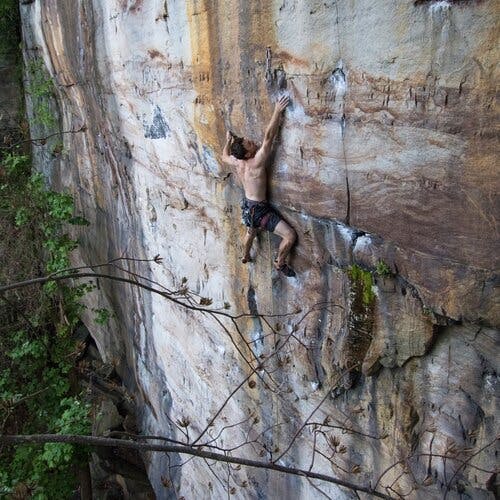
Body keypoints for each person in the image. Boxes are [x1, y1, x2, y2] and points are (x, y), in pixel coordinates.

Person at [221, 95, 297, 277]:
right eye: (249, 144)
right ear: (247, 154)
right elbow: (269, 137)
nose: (252, 142)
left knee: (251, 231)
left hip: (248, 206)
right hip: (261, 211)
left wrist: (228, 142)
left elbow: (223, 156)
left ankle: (245, 255)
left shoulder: (238, 162)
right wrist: (277, 111)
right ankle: (280, 263)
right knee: (290, 236)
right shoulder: (256, 162)